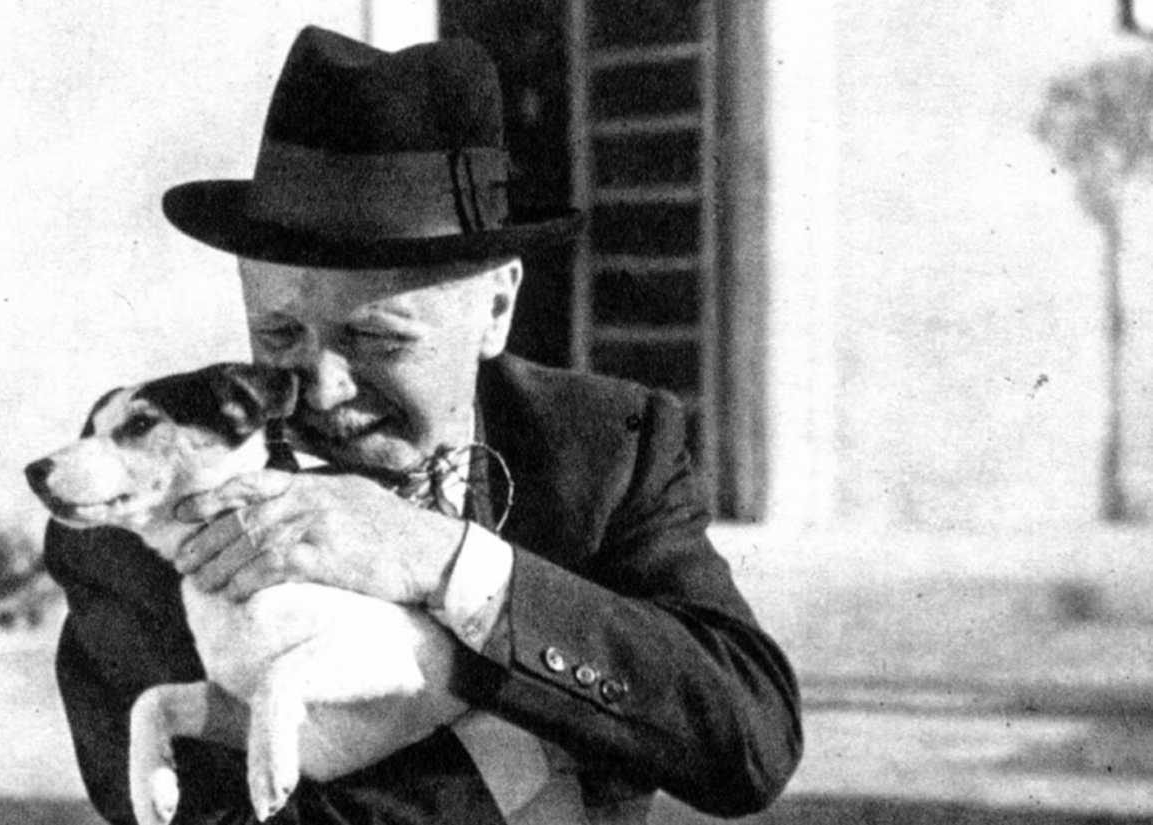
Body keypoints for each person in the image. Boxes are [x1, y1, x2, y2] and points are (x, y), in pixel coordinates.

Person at [44, 25, 802, 825]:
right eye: (279, 336)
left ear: (497, 308)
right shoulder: (152, 520)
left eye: (378, 339)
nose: (322, 387)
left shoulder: (607, 447)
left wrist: (441, 560)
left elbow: (748, 743)